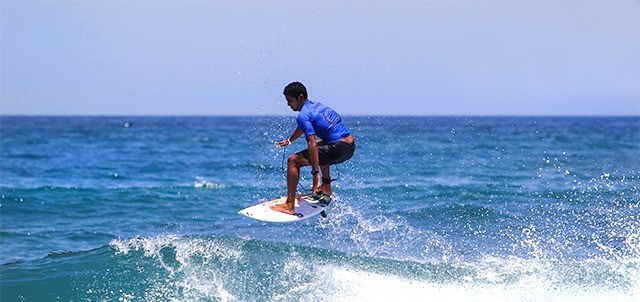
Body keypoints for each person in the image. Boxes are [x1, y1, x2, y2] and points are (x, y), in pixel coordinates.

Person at [271, 82, 355, 215]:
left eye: (290, 100)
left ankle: (289, 205)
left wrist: (315, 174)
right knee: (323, 148)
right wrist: (290, 140)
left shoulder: (303, 115)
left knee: (293, 160)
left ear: (300, 97)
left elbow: (312, 143)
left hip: (338, 148)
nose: (288, 104)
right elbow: (304, 127)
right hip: (349, 146)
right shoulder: (316, 106)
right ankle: (327, 186)